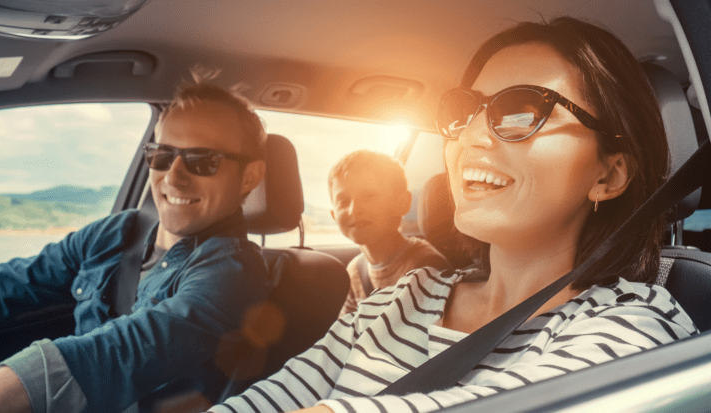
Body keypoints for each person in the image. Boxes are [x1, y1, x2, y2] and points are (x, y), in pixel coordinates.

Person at [207, 17, 699, 413]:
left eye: (523, 110)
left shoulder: (637, 323)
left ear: (608, 176)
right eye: (466, 112)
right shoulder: (398, 299)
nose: (469, 137)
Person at [0, 70, 270, 413]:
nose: (173, 176)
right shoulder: (114, 235)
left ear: (249, 176)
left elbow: (113, 355)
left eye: (202, 161)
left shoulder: (235, 273)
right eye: (161, 155)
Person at [328, 150, 451, 316]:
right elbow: (346, 331)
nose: (353, 210)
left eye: (368, 196)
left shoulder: (426, 266)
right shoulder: (355, 270)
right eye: (343, 201)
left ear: (402, 203)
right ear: (334, 216)